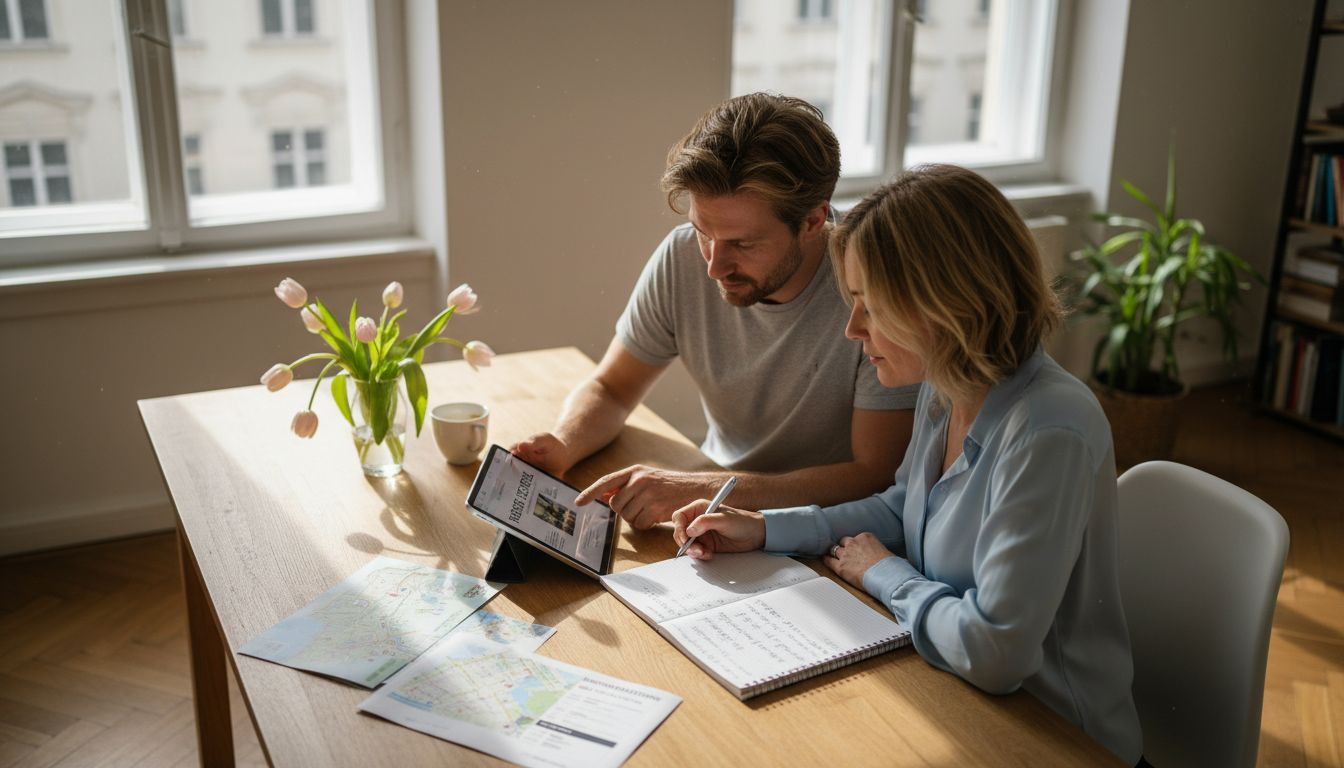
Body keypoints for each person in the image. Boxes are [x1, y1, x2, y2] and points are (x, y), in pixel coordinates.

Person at [671, 164, 1144, 765]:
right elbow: (903, 509)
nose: (852, 328)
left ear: (944, 302)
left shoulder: (1048, 431)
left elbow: (998, 655)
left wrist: (883, 575)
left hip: (1049, 735)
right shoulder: (948, 381)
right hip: (951, 690)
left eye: (871, 304)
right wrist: (767, 529)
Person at [512, 93, 919, 529]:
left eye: (743, 244)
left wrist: (709, 489)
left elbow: (874, 475)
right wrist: (564, 443)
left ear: (813, 221)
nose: (713, 266)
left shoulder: (870, 292)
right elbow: (613, 387)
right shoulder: (683, 257)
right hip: (715, 503)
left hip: (827, 530)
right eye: (702, 232)